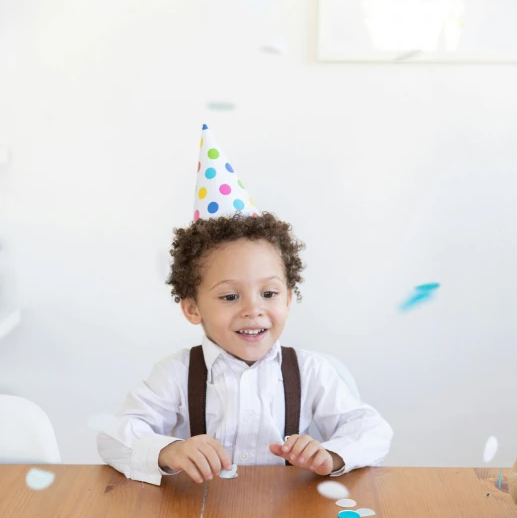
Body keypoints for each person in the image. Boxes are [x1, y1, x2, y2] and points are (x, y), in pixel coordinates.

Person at [97, 125, 393, 485]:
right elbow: (112, 437)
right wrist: (167, 450)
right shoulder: (175, 375)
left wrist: (330, 454)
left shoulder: (312, 372)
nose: (253, 309)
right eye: (230, 296)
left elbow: (373, 430)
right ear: (192, 308)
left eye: (268, 294)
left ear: (289, 296)